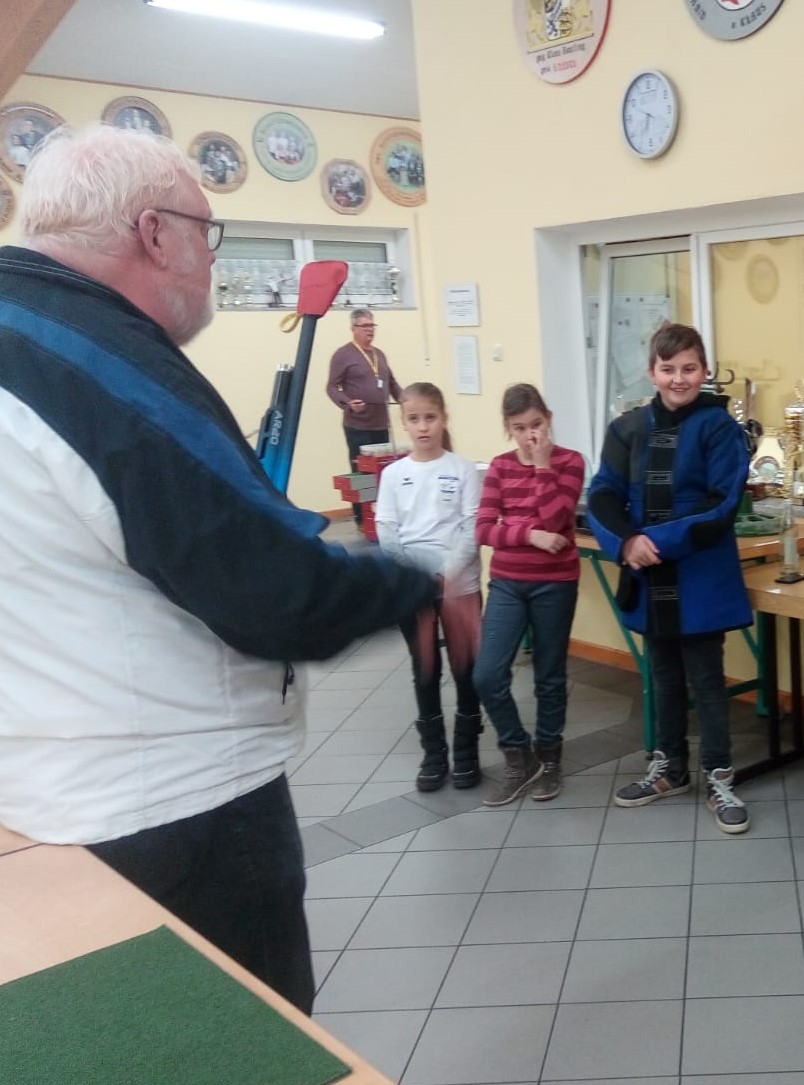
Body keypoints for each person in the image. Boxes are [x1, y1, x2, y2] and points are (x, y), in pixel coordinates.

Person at [0, 124, 437, 1013]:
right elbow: (277, 592)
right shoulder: (95, 360)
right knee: (244, 1046)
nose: (212, 259)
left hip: (40, 796)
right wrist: (419, 581)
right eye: (209, 233)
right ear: (154, 233)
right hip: (177, 809)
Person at [587, 323, 754, 835]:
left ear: (705, 370)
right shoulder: (626, 428)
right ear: (651, 372)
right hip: (647, 573)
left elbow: (721, 504)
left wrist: (655, 542)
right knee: (661, 676)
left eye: (689, 368)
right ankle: (670, 769)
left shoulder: (720, 429)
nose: (679, 379)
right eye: (668, 369)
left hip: (699, 571)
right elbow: (603, 493)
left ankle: (719, 775)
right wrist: (626, 543)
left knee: (706, 678)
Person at [474, 383, 586, 805]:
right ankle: (518, 754)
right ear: (508, 427)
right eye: (520, 428)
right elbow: (484, 529)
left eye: (536, 425)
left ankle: (550, 758)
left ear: (549, 419)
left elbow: (557, 519)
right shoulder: (500, 467)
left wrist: (541, 467)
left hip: (555, 582)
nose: (530, 435)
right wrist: (530, 536)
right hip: (507, 582)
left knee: (549, 675)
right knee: (487, 674)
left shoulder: (571, 461)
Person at [374, 383, 485, 793]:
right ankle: (434, 753)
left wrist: (446, 574)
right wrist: (416, 579)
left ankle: (467, 751)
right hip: (414, 591)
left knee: (465, 669)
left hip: (460, 586)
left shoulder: (463, 470)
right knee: (425, 670)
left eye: (430, 417)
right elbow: (387, 533)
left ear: (444, 419)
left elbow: (472, 529)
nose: (423, 427)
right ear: (403, 423)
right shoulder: (392, 475)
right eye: (414, 419)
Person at [326, 308, 402, 525]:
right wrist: (348, 403)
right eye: (365, 326)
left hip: (381, 423)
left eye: (372, 325)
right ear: (353, 328)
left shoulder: (380, 355)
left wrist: (407, 401)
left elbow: (392, 384)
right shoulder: (343, 355)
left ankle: (383, 517)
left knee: (383, 471)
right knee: (362, 474)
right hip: (358, 425)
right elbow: (332, 387)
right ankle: (362, 519)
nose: (370, 330)